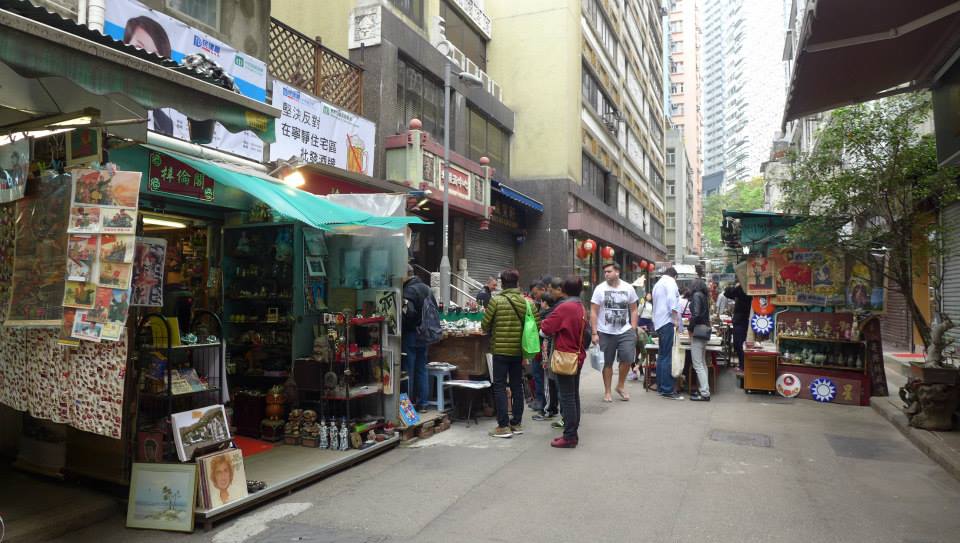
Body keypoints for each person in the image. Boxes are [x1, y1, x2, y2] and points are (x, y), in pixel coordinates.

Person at [482, 269, 537, 438]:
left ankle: (503, 426)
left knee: (499, 386)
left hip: (500, 351)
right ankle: (517, 423)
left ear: (502, 284)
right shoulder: (527, 302)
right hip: (519, 351)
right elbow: (537, 325)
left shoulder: (496, 301)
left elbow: (485, 325)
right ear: (517, 283)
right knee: (517, 385)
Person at [539, 276, 589, 448]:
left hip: (565, 356)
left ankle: (569, 436)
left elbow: (546, 328)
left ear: (565, 290)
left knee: (567, 397)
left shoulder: (565, 307)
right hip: (577, 354)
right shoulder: (581, 306)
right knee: (573, 395)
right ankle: (572, 432)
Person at [590, 262, 639, 402]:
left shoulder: (628, 288)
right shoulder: (600, 289)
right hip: (605, 331)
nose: (606, 274)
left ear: (617, 272)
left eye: (609, 271)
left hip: (625, 330)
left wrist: (633, 328)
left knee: (628, 358)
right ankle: (607, 391)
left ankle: (620, 385)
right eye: (605, 272)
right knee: (607, 362)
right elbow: (593, 311)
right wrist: (594, 333)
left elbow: (634, 309)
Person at [122, 16, 174, 135]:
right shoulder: (108, 101)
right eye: (139, 48)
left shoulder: (166, 123)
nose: (145, 60)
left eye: (154, 56)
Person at [402, 266, 434, 410]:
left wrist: (405, 325)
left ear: (405, 274)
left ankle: (407, 405)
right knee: (422, 368)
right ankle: (423, 403)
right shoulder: (426, 288)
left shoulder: (408, 290)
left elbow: (409, 313)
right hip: (424, 334)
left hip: (411, 334)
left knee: (408, 370)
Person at [533, 276, 563, 423]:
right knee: (553, 382)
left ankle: (548, 410)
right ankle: (553, 408)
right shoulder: (556, 311)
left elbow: (543, 332)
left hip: (548, 352)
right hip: (554, 352)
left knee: (548, 381)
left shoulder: (547, 315)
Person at [652, 267, 683, 399]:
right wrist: (676, 320)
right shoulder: (670, 282)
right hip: (667, 322)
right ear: (675, 276)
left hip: (659, 322)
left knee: (662, 355)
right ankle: (667, 389)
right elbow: (672, 301)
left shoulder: (658, 284)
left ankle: (661, 387)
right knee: (667, 356)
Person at [686, 278, 712, 401]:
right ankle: (704, 389)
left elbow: (695, 315)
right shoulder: (704, 296)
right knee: (702, 362)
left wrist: (690, 328)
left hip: (698, 331)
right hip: (704, 330)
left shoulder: (696, 295)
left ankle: (705, 392)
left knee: (697, 364)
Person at [724, 281, 752, 371]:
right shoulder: (745, 290)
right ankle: (742, 365)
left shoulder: (743, 289)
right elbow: (728, 293)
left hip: (741, 321)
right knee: (740, 344)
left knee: (739, 344)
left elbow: (727, 292)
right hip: (744, 320)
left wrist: (739, 285)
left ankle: (743, 366)